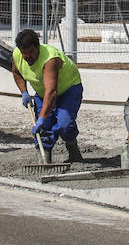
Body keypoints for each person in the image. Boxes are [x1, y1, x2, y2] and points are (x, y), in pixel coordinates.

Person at [11, 29, 84, 163]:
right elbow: (16, 72)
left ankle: (72, 146)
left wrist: (43, 118)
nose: (27, 56)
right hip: (42, 92)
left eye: (31, 52)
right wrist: (24, 92)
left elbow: (51, 92)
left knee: (64, 124)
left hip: (68, 89)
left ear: (38, 47)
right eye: (24, 53)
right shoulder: (17, 54)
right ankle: (45, 157)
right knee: (43, 130)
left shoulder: (50, 59)